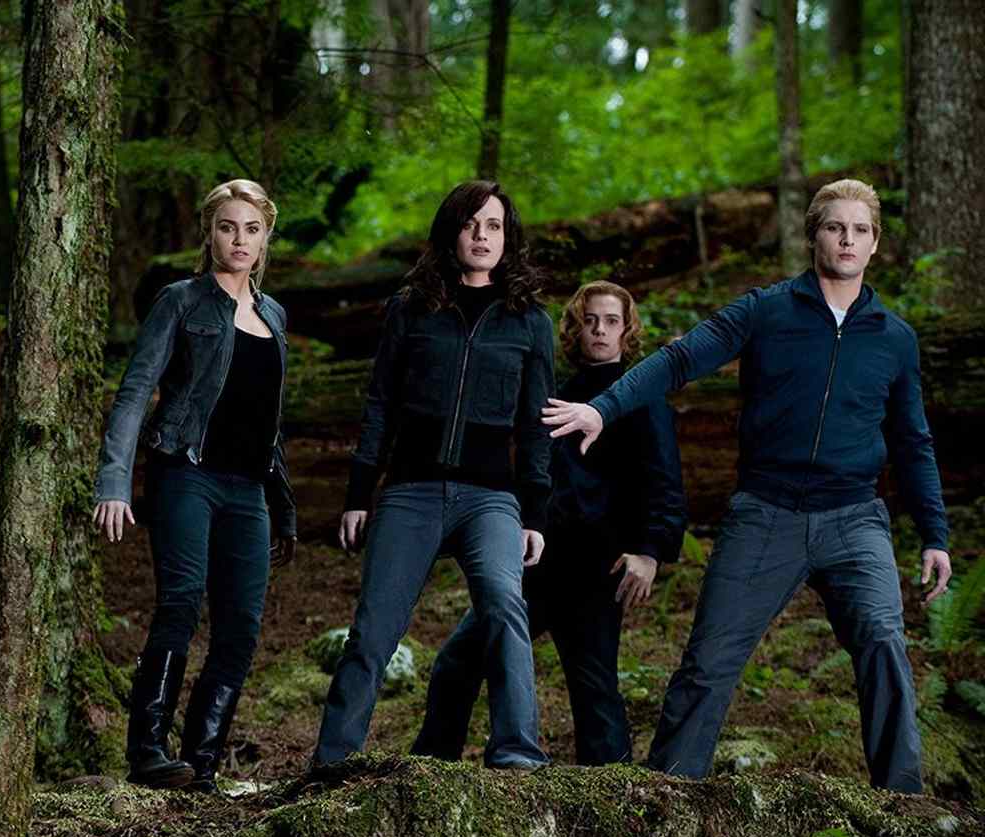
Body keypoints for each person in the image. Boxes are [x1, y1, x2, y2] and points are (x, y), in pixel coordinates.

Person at [545, 178, 951, 792]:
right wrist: (604, 408)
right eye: (835, 227)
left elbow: (912, 440)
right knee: (709, 662)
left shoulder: (894, 338)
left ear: (874, 244)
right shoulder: (766, 310)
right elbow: (679, 359)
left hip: (853, 519)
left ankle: (903, 801)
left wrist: (934, 533)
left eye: (860, 230)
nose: (847, 239)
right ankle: (669, 797)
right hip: (766, 513)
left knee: (884, 644)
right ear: (813, 235)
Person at [310, 180, 555, 771]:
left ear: (508, 238)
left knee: (503, 604)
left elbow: (536, 425)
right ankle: (333, 762)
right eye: (471, 224)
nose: (482, 236)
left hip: (490, 497)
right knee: (373, 629)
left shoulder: (530, 321)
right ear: (451, 232)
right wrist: (358, 494)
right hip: (411, 491)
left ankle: (517, 751)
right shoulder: (411, 308)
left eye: (493, 226)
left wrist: (535, 513)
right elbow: (380, 405)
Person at [410, 281, 686, 766]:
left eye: (612, 322)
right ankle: (430, 769)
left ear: (627, 331)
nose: (599, 330)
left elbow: (665, 480)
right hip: (535, 562)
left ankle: (613, 795)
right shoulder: (553, 392)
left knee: (593, 685)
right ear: (575, 328)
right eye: (590, 321)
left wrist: (650, 550)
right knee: (459, 659)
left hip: (597, 566)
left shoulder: (641, 396)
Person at [93, 178, 296, 792]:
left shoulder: (275, 315)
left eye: (252, 229)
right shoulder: (179, 301)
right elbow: (135, 392)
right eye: (228, 227)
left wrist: (283, 506)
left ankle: (201, 764)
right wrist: (114, 482)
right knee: (180, 603)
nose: (240, 240)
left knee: (241, 627)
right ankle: (147, 751)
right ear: (209, 233)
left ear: (265, 238)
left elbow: (269, 422)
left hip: (249, 490)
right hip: (186, 472)